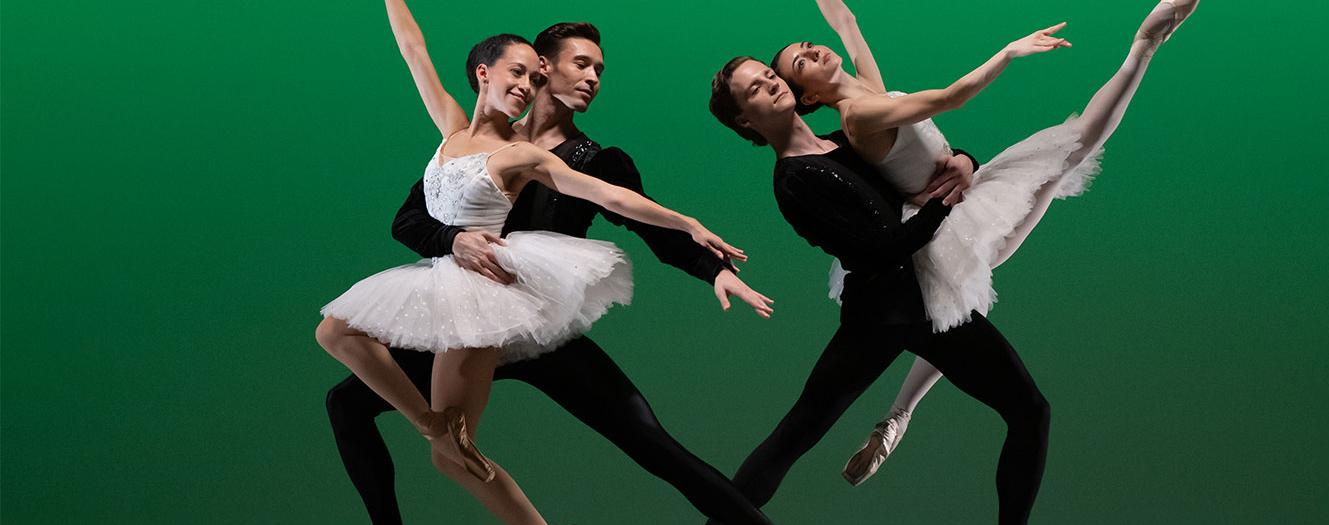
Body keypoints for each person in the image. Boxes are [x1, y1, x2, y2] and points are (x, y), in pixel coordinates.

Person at [323, 7, 775, 524]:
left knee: (650, 443)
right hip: (467, 310)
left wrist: (708, 264)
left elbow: (636, 214)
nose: (592, 78)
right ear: (541, 67)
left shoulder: (588, 158)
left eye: (599, 71)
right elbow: (408, 220)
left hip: (540, 325)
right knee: (354, 404)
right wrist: (455, 241)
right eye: (580, 64)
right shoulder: (465, 142)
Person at [768, 0, 1199, 485]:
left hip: (964, 195)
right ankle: (1143, 47)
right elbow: (951, 98)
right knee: (1068, 151)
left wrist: (966, 161)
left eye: (807, 46)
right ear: (806, 96)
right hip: (945, 221)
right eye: (801, 63)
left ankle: (896, 418)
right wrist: (1010, 51)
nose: (812, 51)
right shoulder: (860, 113)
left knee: (970, 302)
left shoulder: (865, 86)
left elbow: (846, 20)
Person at [707, 53, 1050, 523]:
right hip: (881, 316)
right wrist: (943, 201)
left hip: (923, 302)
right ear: (746, 119)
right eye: (754, 90)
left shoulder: (840, 141)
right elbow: (882, 249)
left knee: (1030, 410)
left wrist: (965, 162)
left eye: (768, 75)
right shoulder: (793, 180)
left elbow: (914, 166)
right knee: (798, 432)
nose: (770, 84)